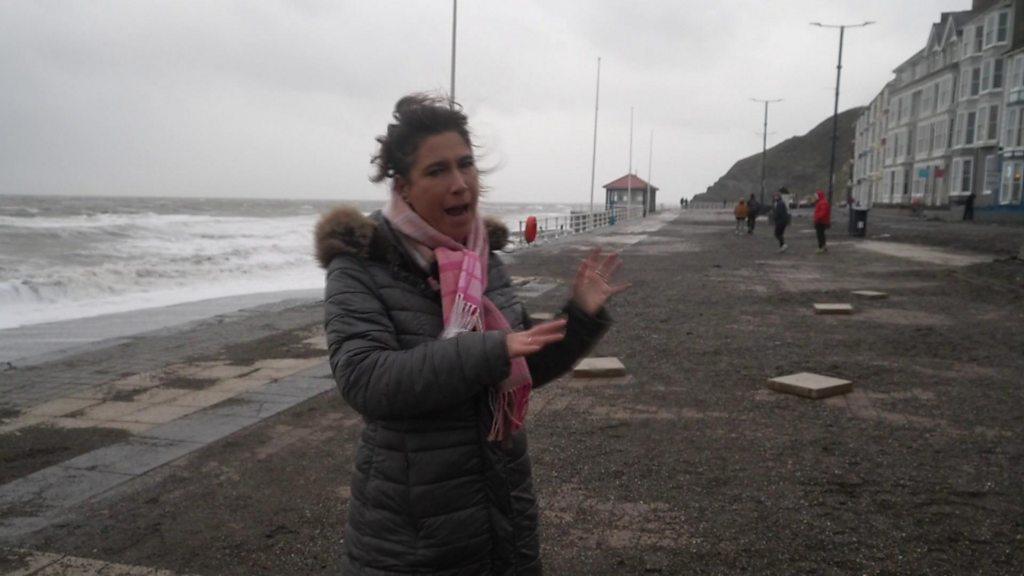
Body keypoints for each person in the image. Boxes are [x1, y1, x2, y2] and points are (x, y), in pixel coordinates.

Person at [315, 93, 628, 575]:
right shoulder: (360, 264)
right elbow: (365, 379)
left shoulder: (482, 258)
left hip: (500, 505)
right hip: (411, 530)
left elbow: (519, 364)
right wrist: (488, 350)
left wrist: (580, 315)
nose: (460, 183)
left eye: (466, 164)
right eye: (437, 171)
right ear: (404, 186)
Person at [812, 189, 831, 253]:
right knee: (821, 235)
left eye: (816, 196)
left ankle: (821, 247)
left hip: (821, 222)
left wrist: (817, 218)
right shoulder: (822, 202)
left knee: (820, 235)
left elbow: (823, 212)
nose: (815, 197)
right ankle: (823, 247)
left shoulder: (822, 202)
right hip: (821, 221)